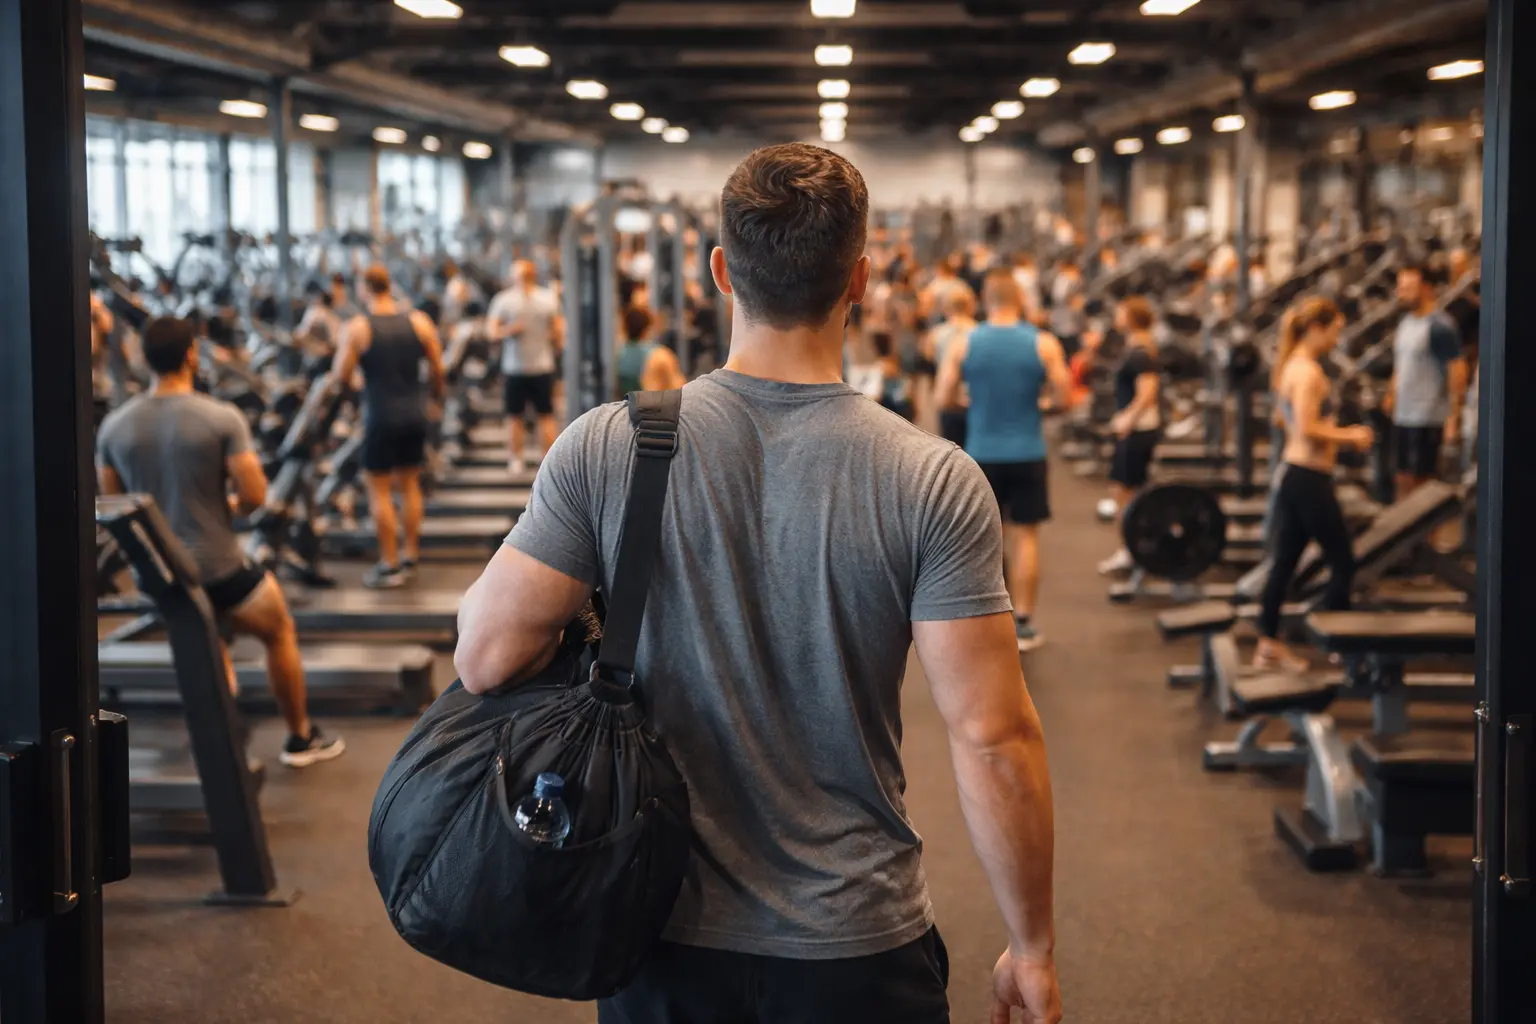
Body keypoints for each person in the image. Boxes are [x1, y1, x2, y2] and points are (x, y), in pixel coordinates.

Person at [454, 142, 1060, 1024]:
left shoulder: (606, 445)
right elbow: (993, 737)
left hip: (659, 934)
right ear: (859, 281)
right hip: (855, 945)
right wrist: (1032, 944)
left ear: (717, 273)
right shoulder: (933, 478)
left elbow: (484, 657)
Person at [96, 317, 344, 767]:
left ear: (143, 359)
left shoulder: (114, 428)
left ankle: (223, 750)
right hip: (220, 569)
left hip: (160, 576)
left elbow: (114, 505)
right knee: (279, 629)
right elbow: (255, 497)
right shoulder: (220, 417)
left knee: (208, 645)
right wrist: (222, 507)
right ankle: (300, 738)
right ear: (191, 354)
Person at [935, 268, 1075, 652]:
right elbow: (1065, 397)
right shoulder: (1043, 343)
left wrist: (968, 402)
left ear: (985, 302)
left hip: (982, 455)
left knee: (985, 541)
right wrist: (1042, 404)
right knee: (1025, 537)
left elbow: (942, 396)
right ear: (1020, 301)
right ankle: (1025, 624)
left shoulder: (965, 342)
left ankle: (990, 624)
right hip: (1028, 452)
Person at [1255, 297, 1375, 672]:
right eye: (1335, 331)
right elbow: (1306, 429)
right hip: (1308, 476)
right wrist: (1350, 436)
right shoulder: (1308, 372)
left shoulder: (1292, 367)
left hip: (1296, 472)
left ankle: (1268, 644)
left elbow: (1282, 419)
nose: (1337, 339)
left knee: (1284, 563)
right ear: (1316, 329)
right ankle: (1340, 645)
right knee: (1343, 560)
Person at [330, 264, 447, 590]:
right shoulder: (419, 321)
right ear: (389, 285)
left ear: (365, 288)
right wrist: (436, 399)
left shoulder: (358, 328)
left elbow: (341, 376)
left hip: (379, 416)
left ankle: (390, 562)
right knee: (410, 484)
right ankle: (410, 553)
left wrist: (353, 401)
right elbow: (438, 369)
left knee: (378, 489)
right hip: (414, 414)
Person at [1386, 264, 1468, 499]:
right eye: (1400, 288)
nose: (1401, 293)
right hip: (1404, 414)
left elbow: (1457, 371)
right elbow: (1401, 365)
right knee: (1401, 477)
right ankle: (1402, 533)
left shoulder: (1440, 327)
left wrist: (1454, 416)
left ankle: (1426, 535)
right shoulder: (1405, 324)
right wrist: (1392, 393)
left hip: (1427, 417)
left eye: (1408, 288)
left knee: (1423, 483)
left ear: (1425, 289)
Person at [1097, 297, 1163, 575]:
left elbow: (1149, 391)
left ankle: (1129, 551)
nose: (1116, 316)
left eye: (1121, 312)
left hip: (1138, 431)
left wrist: (1128, 419)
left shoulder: (1140, 352)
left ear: (1132, 317)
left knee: (1125, 493)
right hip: (1137, 430)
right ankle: (1132, 549)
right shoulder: (1139, 347)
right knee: (1124, 491)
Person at [488, 259, 565, 475]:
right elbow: (492, 332)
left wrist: (554, 342)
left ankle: (543, 462)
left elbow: (558, 332)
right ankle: (518, 459)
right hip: (517, 368)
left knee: (544, 415)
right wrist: (510, 330)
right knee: (518, 416)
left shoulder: (546, 298)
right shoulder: (505, 300)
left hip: (540, 366)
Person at [925, 287, 977, 447]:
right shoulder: (978, 331)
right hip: (972, 399)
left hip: (947, 398)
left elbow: (929, 358)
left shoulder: (936, 333)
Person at [616, 304, 687, 396]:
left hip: (625, 406)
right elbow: (680, 390)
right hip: (652, 407)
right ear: (648, 328)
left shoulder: (619, 354)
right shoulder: (660, 355)